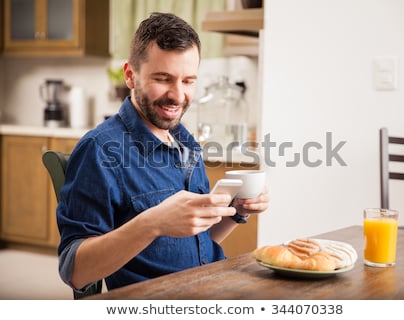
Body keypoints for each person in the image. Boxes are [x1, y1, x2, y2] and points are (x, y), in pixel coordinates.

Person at [57, 12, 269, 294]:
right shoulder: (101, 149)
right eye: (163, 78)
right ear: (131, 75)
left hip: (213, 287)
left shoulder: (186, 142)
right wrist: (152, 223)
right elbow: (75, 271)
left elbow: (197, 242)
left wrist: (235, 212)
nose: (178, 95)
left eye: (188, 81)